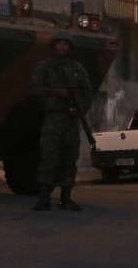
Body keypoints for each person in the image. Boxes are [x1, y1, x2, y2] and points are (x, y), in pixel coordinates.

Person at [30, 31, 93, 212]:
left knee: (69, 158)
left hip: (71, 119)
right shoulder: (45, 67)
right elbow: (34, 89)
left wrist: (79, 108)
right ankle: (43, 197)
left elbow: (87, 92)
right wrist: (56, 93)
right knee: (48, 157)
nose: (62, 47)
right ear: (53, 46)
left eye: (65, 44)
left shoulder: (78, 68)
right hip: (53, 117)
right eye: (59, 44)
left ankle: (65, 198)